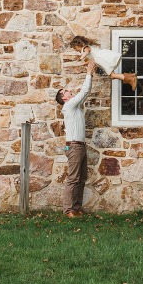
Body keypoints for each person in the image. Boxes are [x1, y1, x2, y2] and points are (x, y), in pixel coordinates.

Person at [55, 59, 97, 217]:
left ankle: (77, 208)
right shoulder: (69, 105)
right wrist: (88, 73)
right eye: (65, 91)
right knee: (73, 178)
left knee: (81, 178)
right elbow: (84, 92)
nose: (68, 91)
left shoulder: (75, 107)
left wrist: (89, 74)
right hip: (74, 147)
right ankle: (68, 210)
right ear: (64, 98)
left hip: (80, 146)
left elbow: (84, 94)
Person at [69, 35, 137, 91]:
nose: (76, 50)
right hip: (102, 58)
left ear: (79, 44)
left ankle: (131, 79)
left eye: (75, 48)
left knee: (112, 75)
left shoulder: (85, 48)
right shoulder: (89, 47)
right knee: (112, 76)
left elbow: (86, 52)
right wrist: (85, 63)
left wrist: (80, 58)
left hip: (102, 59)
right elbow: (93, 58)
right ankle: (131, 76)